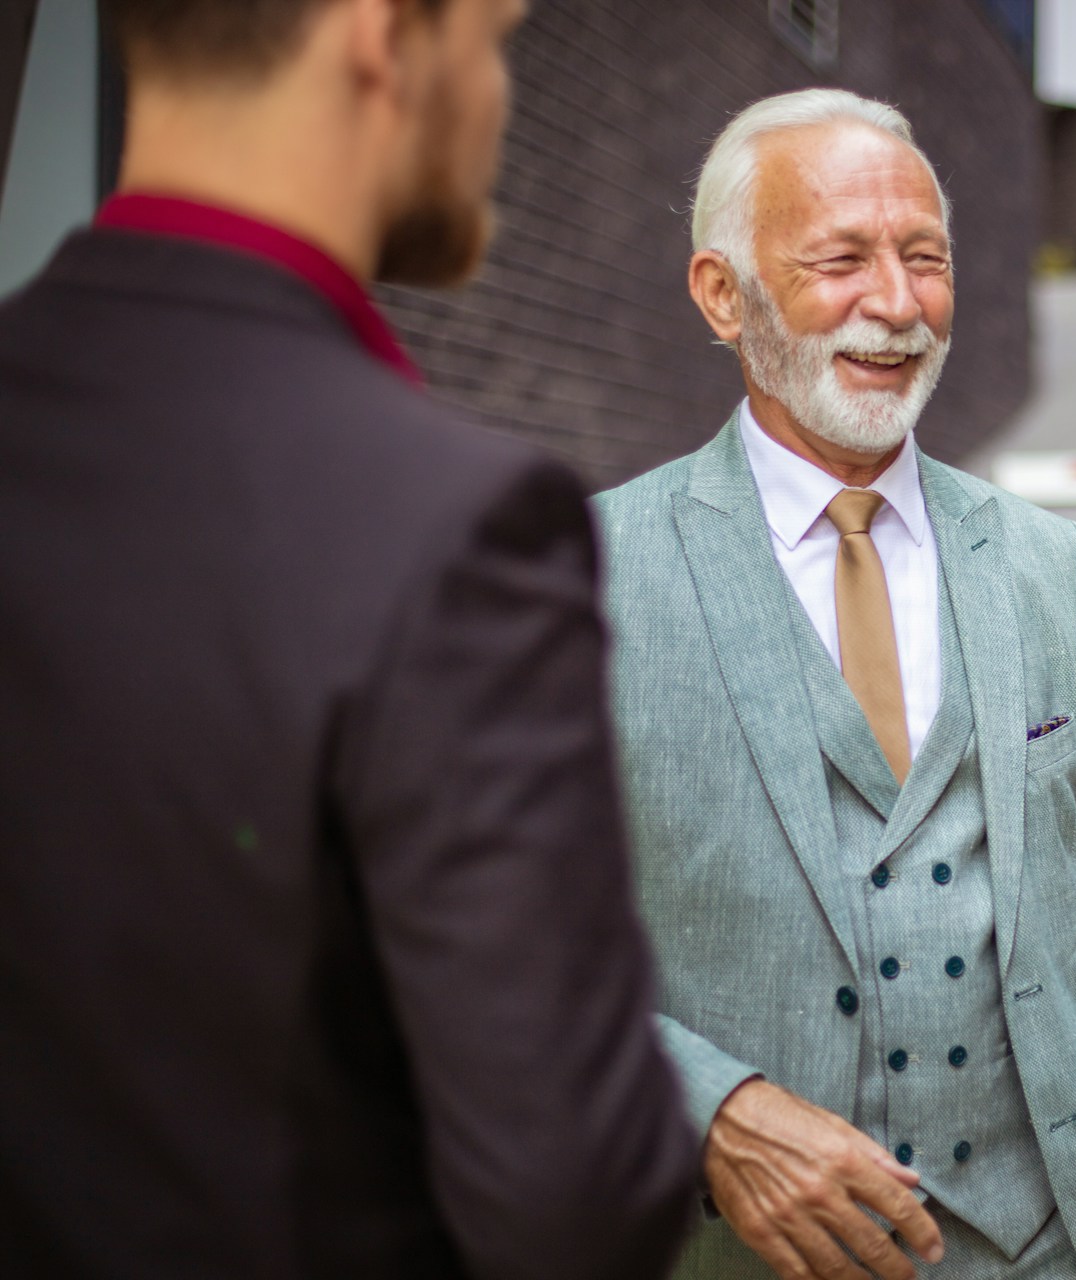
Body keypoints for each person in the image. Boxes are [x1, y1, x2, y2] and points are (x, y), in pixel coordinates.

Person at [0, 1, 699, 1275]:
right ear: (382, 33)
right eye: (493, 38)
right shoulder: (457, 529)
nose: (497, 101)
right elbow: (579, 1199)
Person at [594, 88, 1076, 1280]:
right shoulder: (588, 574)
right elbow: (507, 948)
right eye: (842, 260)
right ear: (722, 294)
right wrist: (713, 1108)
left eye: (926, 258)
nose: (899, 304)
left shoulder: (1043, 563)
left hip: (1047, 1248)